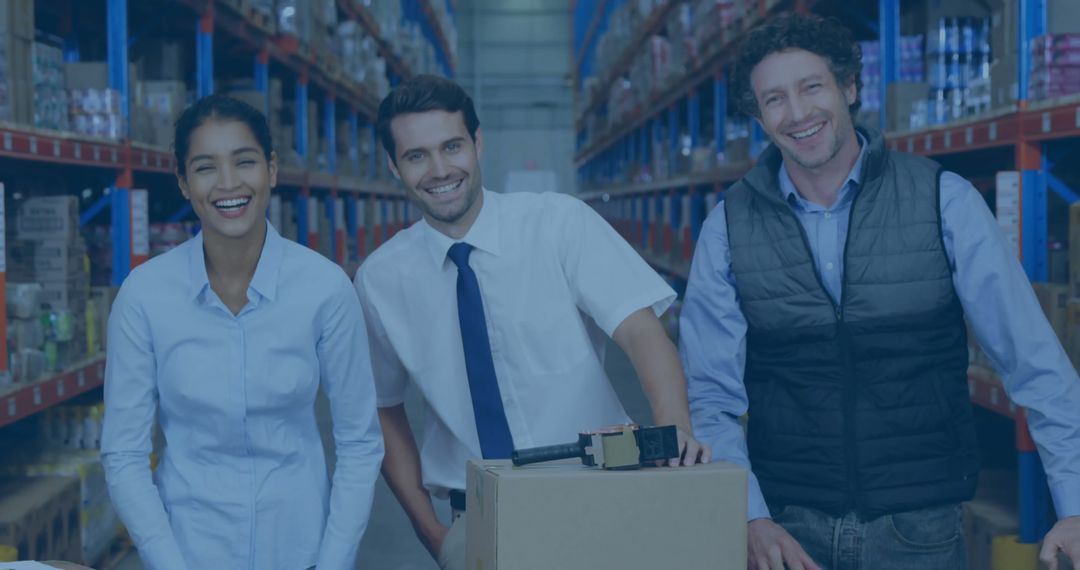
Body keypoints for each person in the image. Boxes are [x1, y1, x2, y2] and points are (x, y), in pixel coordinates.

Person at [679, 12, 1080, 570]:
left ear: (849, 87)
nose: (797, 114)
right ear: (759, 116)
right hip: (788, 532)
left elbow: (1034, 361)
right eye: (774, 99)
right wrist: (750, 518)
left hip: (920, 530)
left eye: (811, 87)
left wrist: (1076, 503)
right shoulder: (729, 226)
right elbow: (711, 397)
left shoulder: (943, 199)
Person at [353, 74, 709, 570]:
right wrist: (432, 532)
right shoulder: (380, 280)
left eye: (452, 146)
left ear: (477, 142)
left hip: (598, 492)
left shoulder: (559, 223)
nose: (439, 170)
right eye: (416, 156)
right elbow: (382, 408)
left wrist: (674, 429)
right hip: (474, 512)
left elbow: (639, 329)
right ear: (394, 165)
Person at [100, 95, 384, 570]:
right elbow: (124, 451)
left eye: (245, 161)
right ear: (184, 183)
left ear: (271, 170)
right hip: (189, 550)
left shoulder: (324, 287)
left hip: (302, 548)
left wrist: (333, 561)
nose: (228, 183)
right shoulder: (145, 295)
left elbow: (359, 441)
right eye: (206, 167)